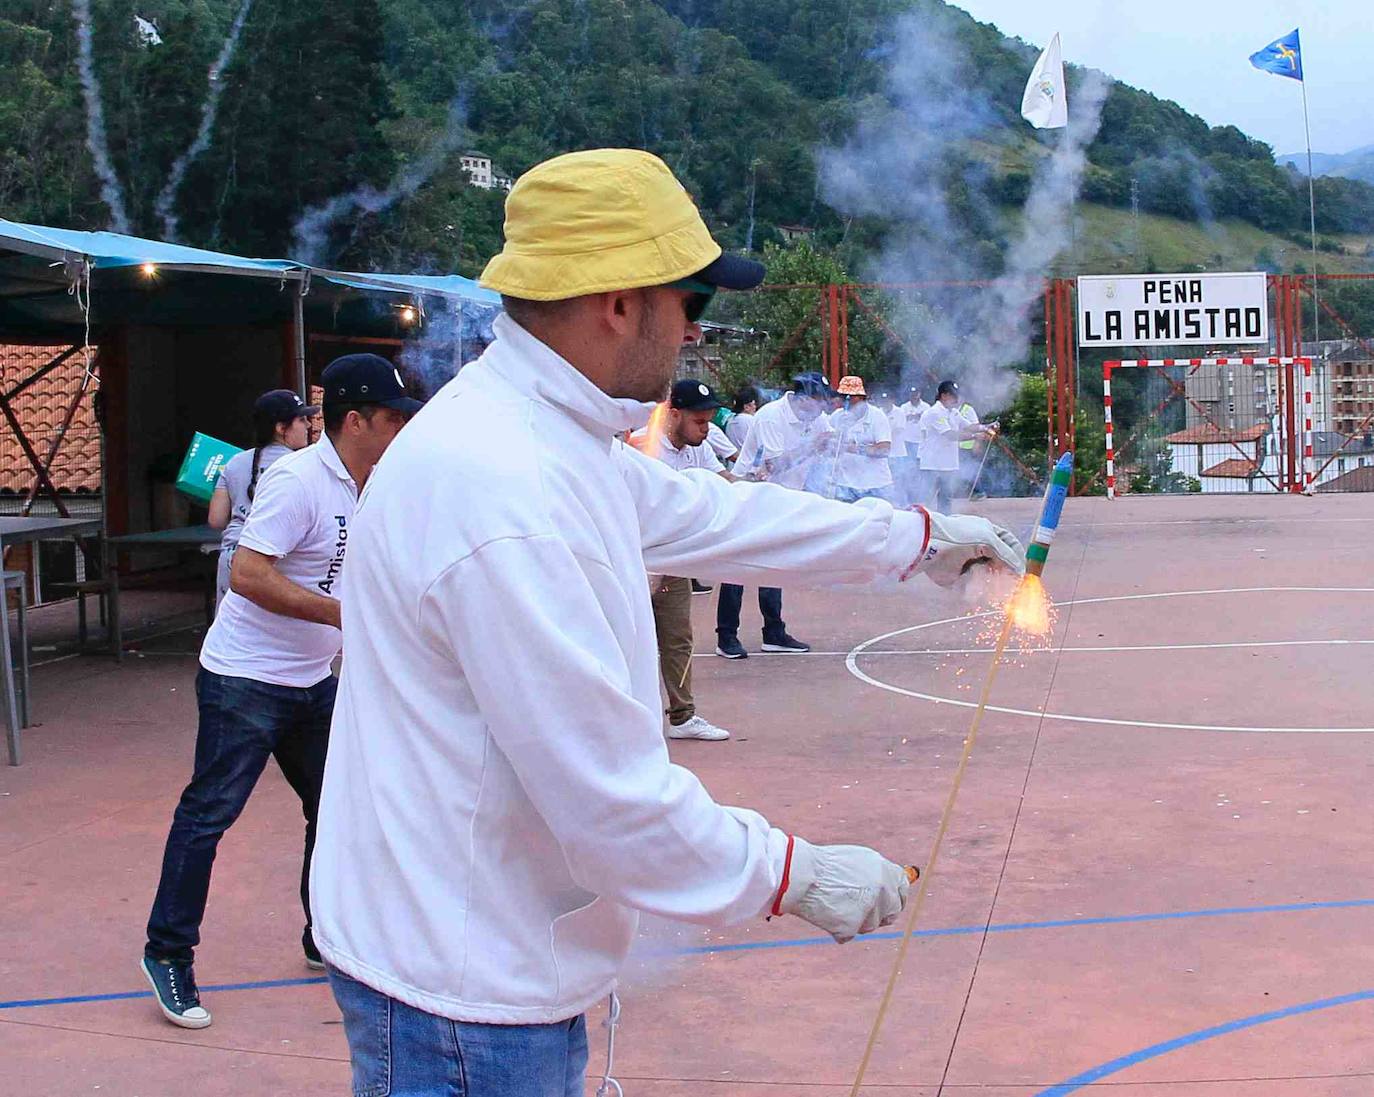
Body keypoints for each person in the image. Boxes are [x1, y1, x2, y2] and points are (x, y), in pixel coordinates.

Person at [309, 148, 1023, 1096]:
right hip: (462, 995)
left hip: (485, 951)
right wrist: (793, 874)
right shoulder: (502, 488)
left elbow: (717, 515)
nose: (696, 332)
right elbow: (609, 800)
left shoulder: (549, 434)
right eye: (690, 304)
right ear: (619, 300)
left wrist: (915, 537)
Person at [139, 354, 419, 1030]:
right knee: (209, 814)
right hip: (244, 680)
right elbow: (248, 574)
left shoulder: (372, 482)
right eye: (391, 418)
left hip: (310, 683)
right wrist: (338, 614)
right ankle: (167, 951)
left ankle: (320, 933)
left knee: (337, 805)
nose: (402, 428)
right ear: (355, 420)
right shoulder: (300, 481)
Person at [632, 378, 737, 741]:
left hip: (672, 563)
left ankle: (683, 717)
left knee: (677, 639)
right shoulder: (641, 446)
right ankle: (626, 724)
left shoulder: (698, 447)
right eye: (699, 422)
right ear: (673, 414)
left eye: (709, 421)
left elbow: (727, 484)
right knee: (628, 642)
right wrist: (646, 568)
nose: (706, 430)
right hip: (631, 562)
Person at [717, 372, 833, 658]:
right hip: (750, 494)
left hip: (783, 497)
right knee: (737, 566)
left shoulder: (815, 417)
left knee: (775, 562)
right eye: (819, 402)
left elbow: (828, 440)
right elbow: (776, 464)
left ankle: (774, 632)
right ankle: (726, 636)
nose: (822, 409)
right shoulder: (771, 416)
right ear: (803, 399)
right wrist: (813, 446)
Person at [207, 389, 318, 607]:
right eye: (302, 420)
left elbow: (216, 520)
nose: (308, 426)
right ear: (280, 428)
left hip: (231, 558)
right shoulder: (305, 465)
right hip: (274, 565)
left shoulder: (234, 462)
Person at [918, 380, 994, 512]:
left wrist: (986, 427)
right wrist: (975, 436)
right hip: (932, 464)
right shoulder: (934, 412)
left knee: (946, 498)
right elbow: (950, 435)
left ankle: (944, 522)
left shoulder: (953, 412)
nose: (956, 399)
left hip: (948, 463)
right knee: (927, 498)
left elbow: (968, 425)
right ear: (944, 395)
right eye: (953, 395)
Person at [822, 375, 894, 502]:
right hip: (845, 485)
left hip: (875, 485)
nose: (846, 401)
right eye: (843, 397)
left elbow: (884, 449)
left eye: (850, 397)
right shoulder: (837, 417)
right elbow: (829, 449)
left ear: (861, 397)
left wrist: (853, 448)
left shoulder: (877, 416)